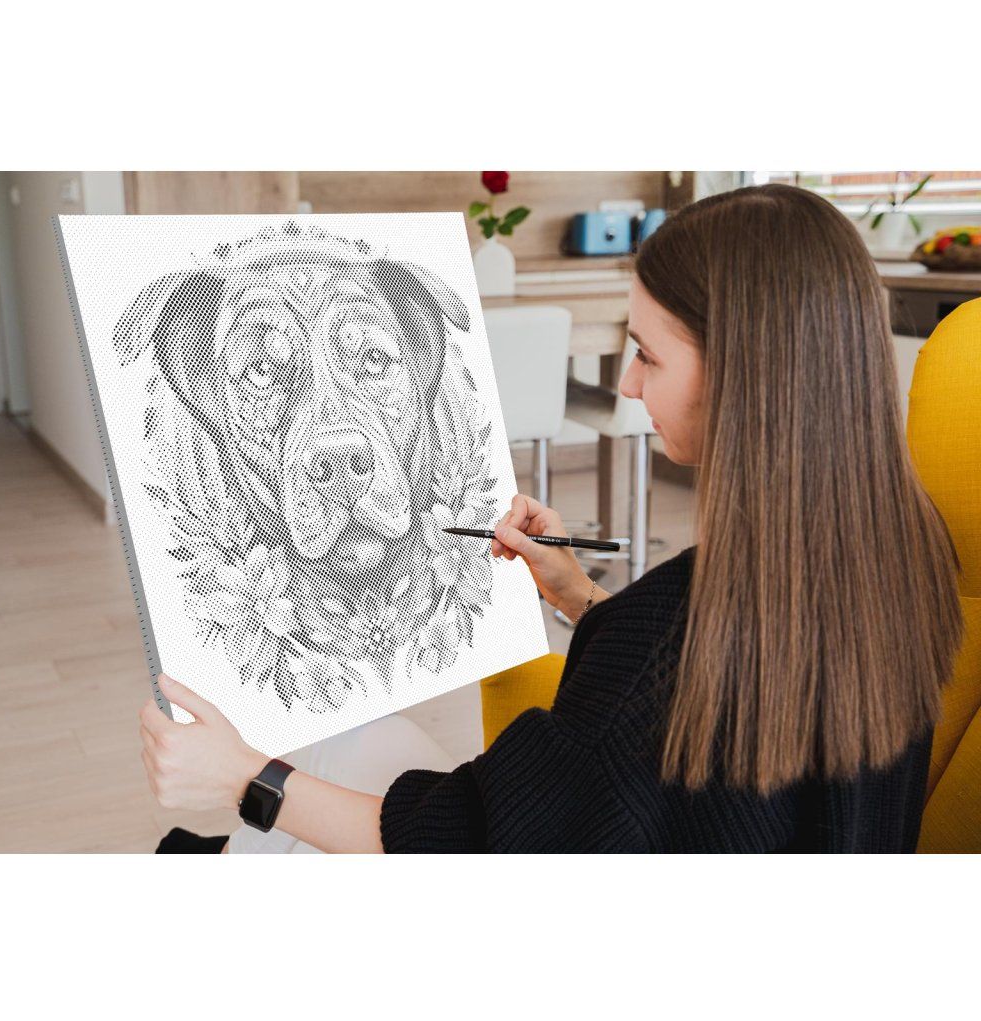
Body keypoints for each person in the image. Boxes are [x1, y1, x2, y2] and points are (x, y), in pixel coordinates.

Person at [141, 183, 964, 853]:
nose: (628, 385)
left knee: (324, 767)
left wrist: (245, 779)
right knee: (345, 747)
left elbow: (464, 843)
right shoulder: (907, 543)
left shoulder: (669, 642)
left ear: (743, 375)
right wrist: (580, 596)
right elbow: (723, 692)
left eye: (647, 354)